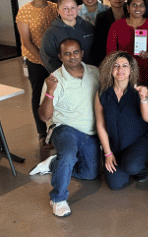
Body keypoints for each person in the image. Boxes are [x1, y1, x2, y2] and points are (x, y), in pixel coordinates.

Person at [29, 38, 100, 217]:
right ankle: (58, 198)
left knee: (90, 174)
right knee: (68, 155)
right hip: (65, 127)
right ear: (60, 57)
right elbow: (44, 116)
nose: (72, 56)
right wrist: (50, 92)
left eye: (75, 52)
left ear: (82, 53)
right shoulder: (54, 79)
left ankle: (54, 163)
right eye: (67, 53)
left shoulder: (94, 72)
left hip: (90, 131)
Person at [93, 51, 148, 190]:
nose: (120, 70)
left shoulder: (140, 90)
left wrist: (144, 99)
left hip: (138, 141)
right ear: (110, 70)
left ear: (131, 70)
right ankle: (127, 162)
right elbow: (100, 124)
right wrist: (108, 153)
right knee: (115, 184)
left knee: (132, 166)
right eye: (116, 66)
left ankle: (139, 168)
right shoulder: (102, 92)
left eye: (125, 66)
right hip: (114, 145)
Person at [17, 0, 58, 148]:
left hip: (56, 58)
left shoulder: (54, 8)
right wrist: (43, 61)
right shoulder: (24, 11)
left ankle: (57, 129)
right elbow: (26, 41)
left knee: (57, 94)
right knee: (37, 95)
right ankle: (42, 133)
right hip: (36, 60)